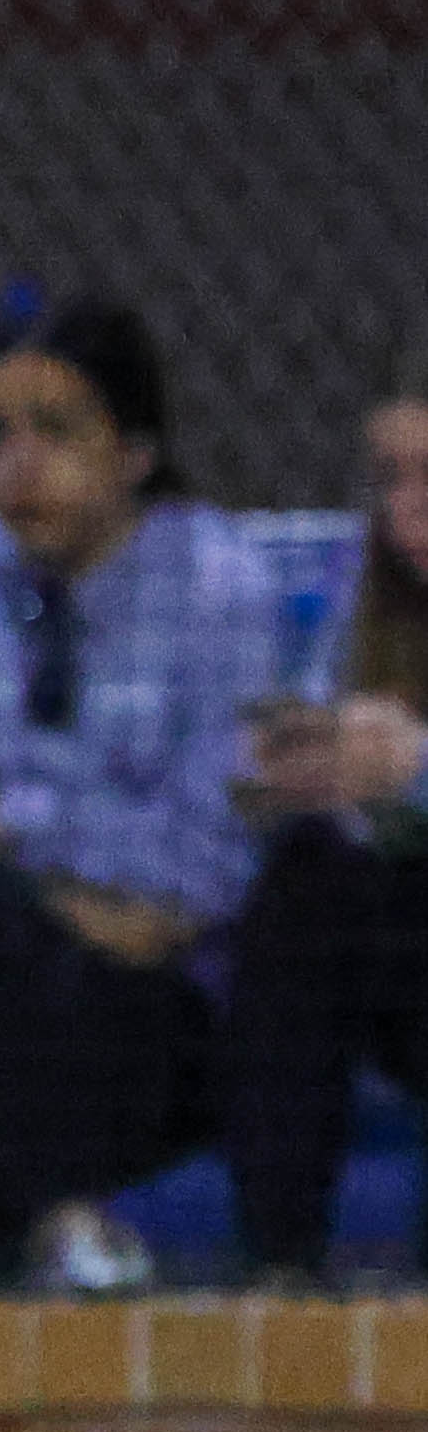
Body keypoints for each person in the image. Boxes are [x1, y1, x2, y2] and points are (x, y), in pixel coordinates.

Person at [0, 295, 294, 1291]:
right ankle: (60, 1230)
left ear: (135, 452)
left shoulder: (219, 593)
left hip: (159, 1028)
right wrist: (80, 893)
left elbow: (203, 878)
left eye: (52, 432)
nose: (13, 468)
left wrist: (18, 837)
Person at [220, 332, 428, 1278]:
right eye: (391, 480)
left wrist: (413, 768)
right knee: (305, 883)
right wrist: (308, 769)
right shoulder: (368, 589)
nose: (403, 511)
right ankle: (280, 1274)